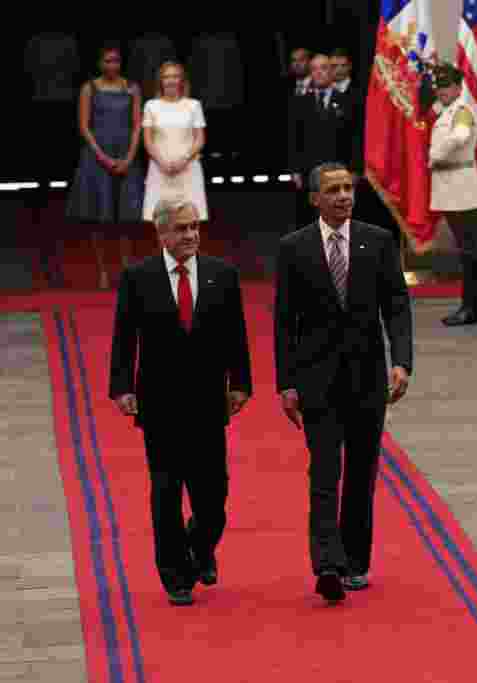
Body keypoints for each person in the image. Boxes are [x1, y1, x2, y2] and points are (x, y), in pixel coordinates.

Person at [273, 162, 413, 604]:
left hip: (368, 378)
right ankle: (327, 563)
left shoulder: (379, 241)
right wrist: (286, 383)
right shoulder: (294, 248)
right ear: (314, 198)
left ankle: (356, 559)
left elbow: (396, 306)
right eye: (332, 190)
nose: (343, 197)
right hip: (317, 381)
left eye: (348, 189)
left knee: (360, 475)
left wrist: (402, 362)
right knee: (325, 472)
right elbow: (284, 323)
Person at [108, 198, 253, 606]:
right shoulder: (138, 277)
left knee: (213, 498)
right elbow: (124, 338)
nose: (191, 235)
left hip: (209, 403)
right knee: (166, 492)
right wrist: (122, 387)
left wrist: (241, 383)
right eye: (182, 229)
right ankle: (175, 574)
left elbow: (236, 336)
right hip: (160, 406)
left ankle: (200, 545)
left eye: (194, 227)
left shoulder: (222, 275)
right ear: (162, 234)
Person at [65, 44, 145, 289]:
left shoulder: (132, 88)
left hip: (125, 155)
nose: (112, 65)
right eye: (108, 61)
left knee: (126, 218)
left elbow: (137, 125)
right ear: (100, 63)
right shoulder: (89, 88)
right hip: (97, 155)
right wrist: (103, 157)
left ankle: (126, 268)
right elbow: (84, 126)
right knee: (99, 218)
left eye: (116, 61)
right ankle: (102, 271)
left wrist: (130, 157)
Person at [429, 61, 477, 326]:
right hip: (450, 185)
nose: (442, 91)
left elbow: (461, 136)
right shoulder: (445, 111)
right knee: (466, 250)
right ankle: (468, 306)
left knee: (470, 250)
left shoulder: (461, 111)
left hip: (462, 186)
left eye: (447, 86)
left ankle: (470, 307)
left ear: (458, 87)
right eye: (439, 86)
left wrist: (435, 155)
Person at [288, 54, 357, 229]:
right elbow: (294, 138)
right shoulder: (300, 102)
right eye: (314, 69)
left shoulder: (346, 100)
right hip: (309, 171)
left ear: (331, 71)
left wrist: (355, 169)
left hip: (339, 171)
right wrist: (295, 169)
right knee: (311, 220)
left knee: (340, 218)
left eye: (324, 68)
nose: (318, 73)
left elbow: (354, 137)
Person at [142, 62, 209, 223]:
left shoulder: (193, 105)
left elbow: (200, 139)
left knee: (190, 222)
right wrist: (162, 162)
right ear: (160, 81)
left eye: (175, 76)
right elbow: (148, 141)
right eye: (166, 77)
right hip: (160, 170)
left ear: (181, 80)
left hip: (188, 170)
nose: (171, 80)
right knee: (160, 222)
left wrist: (184, 160)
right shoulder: (151, 106)